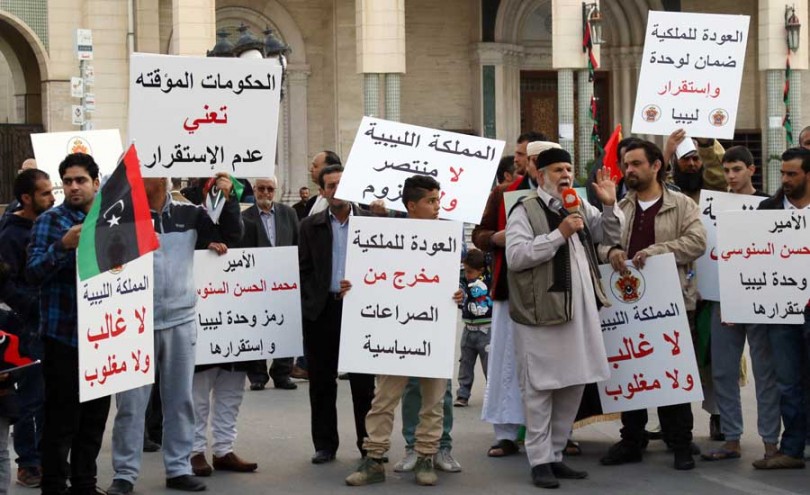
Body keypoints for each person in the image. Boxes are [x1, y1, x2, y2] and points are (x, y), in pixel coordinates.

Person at [106, 173, 243, 495]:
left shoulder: (190, 213)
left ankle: (178, 468)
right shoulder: (120, 216)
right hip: (134, 324)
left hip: (180, 320)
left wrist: (227, 196)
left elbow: (229, 233)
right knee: (130, 404)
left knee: (180, 400)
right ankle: (124, 474)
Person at [505, 143, 623, 488]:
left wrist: (609, 203)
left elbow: (607, 234)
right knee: (541, 388)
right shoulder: (524, 210)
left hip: (581, 312)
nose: (566, 176)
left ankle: (556, 455)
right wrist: (559, 235)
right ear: (541, 176)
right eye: (559, 171)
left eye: (569, 170)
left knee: (574, 381)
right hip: (542, 313)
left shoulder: (578, 204)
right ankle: (539, 460)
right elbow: (516, 256)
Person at [345, 175, 464, 487]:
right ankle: (374, 460)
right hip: (393, 333)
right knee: (383, 399)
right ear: (412, 205)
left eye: (438, 200)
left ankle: (427, 457)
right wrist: (352, 287)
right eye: (431, 201)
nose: (438, 207)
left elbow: (457, 280)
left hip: (431, 332)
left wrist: (458, 292)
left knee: (434, 400)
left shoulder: (447, 238)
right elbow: (369, 274)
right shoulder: (385, 235)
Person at [599, 139, 707, 471]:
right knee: (630, 369)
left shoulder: (681, 204)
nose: (628, 170)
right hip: (627, 305)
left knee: (671, 374)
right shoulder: (622, 206)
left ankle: (681, 443)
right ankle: (632, 438)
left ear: (656, 165)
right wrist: (612, 252)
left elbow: (697, 241)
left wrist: (656, 252)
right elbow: (602, 242)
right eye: (625, 165)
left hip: (671, 303)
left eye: (635, 164)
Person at [26, 153, 110, 495]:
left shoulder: (112, 219)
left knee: (94, 421)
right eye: (68, 181)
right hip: (64, 338)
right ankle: (54, 486)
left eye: (80, 180)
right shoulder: (51, 221)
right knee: (62, 422)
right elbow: (32, 273)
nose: (73, 187)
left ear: (95, 182)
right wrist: (63, 246)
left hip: (107, 338)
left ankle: (85, 485)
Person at [701, 146, 779, 462]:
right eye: (727, 170)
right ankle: (731, 439)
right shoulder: (713, 206)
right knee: (723, 372)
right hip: (723, 301)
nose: (731, 176)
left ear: (751, 170)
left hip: (760, 301)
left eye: (737, 169)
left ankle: (771, 442)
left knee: (766, 373)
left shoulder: (770, 206)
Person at [472, 131, 547, 458]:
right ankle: (504, 432)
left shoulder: (567, 195)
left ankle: (556, 432)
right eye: (520, 156)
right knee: (505, 360)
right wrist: (498, 238)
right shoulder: (505, 193)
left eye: (526, 156)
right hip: (509, 288)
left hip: (552, 291)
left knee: (551, 363)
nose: (520, 162)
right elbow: (479, 235)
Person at [298, 164, 375, 464]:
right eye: (330, 186)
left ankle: (368, 443)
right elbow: (302, 269)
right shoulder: (310, 226)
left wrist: (361, 286)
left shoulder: (371, 222)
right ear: (322, 191)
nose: (336, 191)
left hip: (361, 311)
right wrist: (311, 301)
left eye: (341, 184)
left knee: (363, 384)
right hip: (322, 311)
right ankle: (325, 445)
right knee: (321, 381)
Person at [751, 147, 810, 469]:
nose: (785, 180)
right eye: (783, 174)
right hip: (782, 312)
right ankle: (791, 449)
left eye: (792, 174)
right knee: (788, 382)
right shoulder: (767, 209)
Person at [0, 168, 54, 488]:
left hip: (50, 321)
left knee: (48, 394)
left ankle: (45, 456)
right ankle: (28, 462)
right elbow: (5, 286)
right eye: (45, 193)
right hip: (22, 323)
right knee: (30, 396)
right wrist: (33, 307)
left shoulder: (48, 224)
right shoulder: (11, 234)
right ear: (26, 198)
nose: (52, 197)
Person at [241, 176, 300, 392]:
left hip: (285, 282)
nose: (265, 193)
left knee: (285, 326)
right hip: (255, 284)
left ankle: (282, 373)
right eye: (261, 188)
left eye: (270, 189)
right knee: (255, 327)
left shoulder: (289, 214)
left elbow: (297, 243)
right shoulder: (244, 217)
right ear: (254, 190)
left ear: (276, 191)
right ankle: (258, 375)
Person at [454, 248, 492, 407]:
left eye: (470, 272)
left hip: (487, 331)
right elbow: (459, 288)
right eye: (466, 271)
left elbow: (492, 258)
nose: (467, 275)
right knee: (465, 364)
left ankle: (492, 395)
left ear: (481, 270)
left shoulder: (489, 279)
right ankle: (463, 394)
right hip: (468, 330)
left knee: (489, 366)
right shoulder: (464, 281)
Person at [305, 151, 342, 216]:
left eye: (315, 166)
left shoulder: (342, 200)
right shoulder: (312, 201)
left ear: (329, 168)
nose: (311, 170)